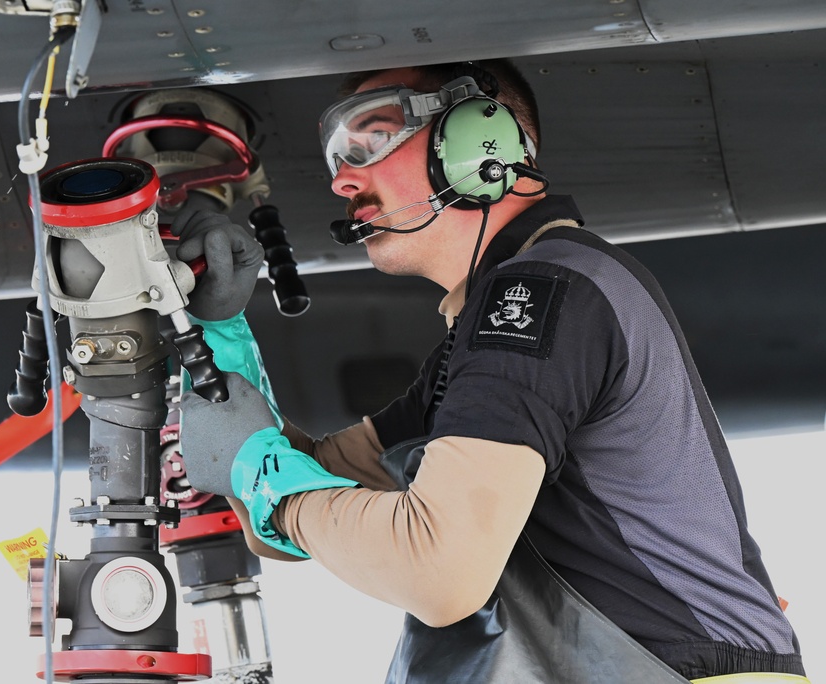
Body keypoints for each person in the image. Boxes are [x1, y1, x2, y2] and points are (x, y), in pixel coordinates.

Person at [171, 59, 807, 682]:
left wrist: (268, 487)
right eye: (340, 155)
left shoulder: (540, 296)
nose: (341, 180)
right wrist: (220, 332)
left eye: (373, 138)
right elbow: (306, 497)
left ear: (481, 140)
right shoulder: (494, 327)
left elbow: (435, 572)